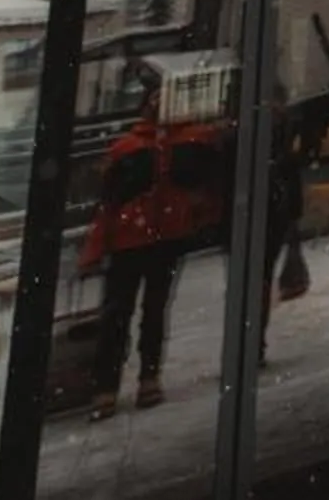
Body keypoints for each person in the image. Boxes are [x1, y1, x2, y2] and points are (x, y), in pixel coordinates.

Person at [79, 106, 228, 419]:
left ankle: (109, 386)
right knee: (150, 308)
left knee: (121, 311)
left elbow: (108, 203)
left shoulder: (131, 148)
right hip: (161, 238)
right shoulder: (190, 142)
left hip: (133, 240)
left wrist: (94, 249)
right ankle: (145, 378)